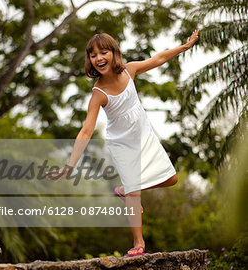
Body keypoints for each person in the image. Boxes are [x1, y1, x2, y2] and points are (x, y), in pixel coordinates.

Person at [47, 30, 199, 256]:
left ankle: (125, 189)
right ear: (89, 61)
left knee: (172, 179)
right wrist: (69, 166)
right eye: (92, 55)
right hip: (122, 144)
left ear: (114, 53)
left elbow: (157, 59)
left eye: (103, 52)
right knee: (134, 191)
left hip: (144, 136)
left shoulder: (130, 70)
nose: (98, 58)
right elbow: (86, 131)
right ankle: (139, 243)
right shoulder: (98, 93)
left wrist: (184, 47)